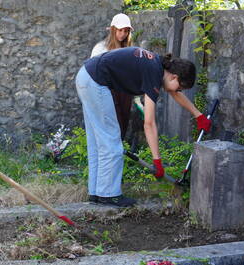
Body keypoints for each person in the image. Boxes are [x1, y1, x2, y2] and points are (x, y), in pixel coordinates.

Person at [76, 47, 211, 207]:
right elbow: (149, 123)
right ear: (174, 77)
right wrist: (157, 161)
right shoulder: (154, 73)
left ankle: (96, 193)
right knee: (112, 141)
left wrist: (198, 115)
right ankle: (108, 194)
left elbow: (174, 92)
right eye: (180, 87)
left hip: (86, 76)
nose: (178, 91)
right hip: (95, 81)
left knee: (97, 143)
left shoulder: (157, 66)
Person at [90, 13, 134, 140]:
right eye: (120, 30)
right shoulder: (100, 48)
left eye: (126, 31)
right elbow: (93, 73)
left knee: (122, 127)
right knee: (108, 127)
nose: (123, 34)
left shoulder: (129, 49)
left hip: (124, 92)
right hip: (106, 91)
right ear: (113, 29)